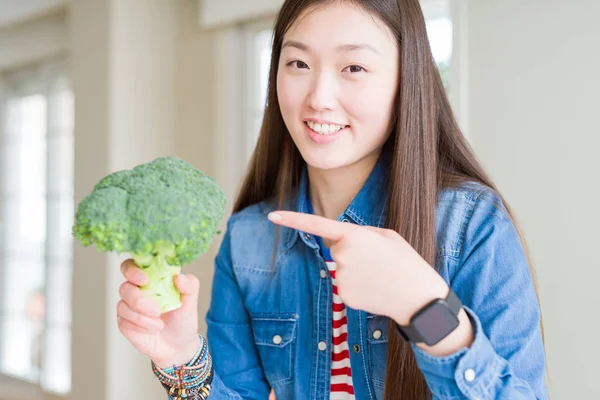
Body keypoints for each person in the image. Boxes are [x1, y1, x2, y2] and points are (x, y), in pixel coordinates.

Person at [116, 0, 548, 399]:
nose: (318, 98)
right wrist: (179, 355)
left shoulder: (470, 224)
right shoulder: (248, 237)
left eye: (354, 67)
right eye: (298, 62)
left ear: (406, 77)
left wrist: (424, 309)